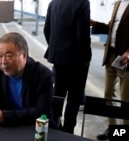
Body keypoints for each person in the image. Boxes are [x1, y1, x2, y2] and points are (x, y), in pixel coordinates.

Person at [0, 32, 56, 127]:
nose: (3, 62)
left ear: (24, 56)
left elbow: (42, 113)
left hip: (31, 128)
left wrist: (3, 116)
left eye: (8, 56)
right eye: (0, 56)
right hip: (1, 129)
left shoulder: (42, 75)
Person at [44, 0, 92, 134]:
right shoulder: (82, 3)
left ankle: (54, 126)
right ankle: (68, 130)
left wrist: (57, 48)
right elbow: (82, 35)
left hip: (58, 59)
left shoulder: (53, 3)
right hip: (77, 61)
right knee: (74, 97)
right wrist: (86, 58)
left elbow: (47, 29)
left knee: (57, 94)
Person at [90, 0, 129, 140]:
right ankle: (113, 129)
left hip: (126, 60)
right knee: (108, 94)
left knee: (126, 99)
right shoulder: (118, 3)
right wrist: (96, 24)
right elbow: (112, 27)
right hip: (111, 55)